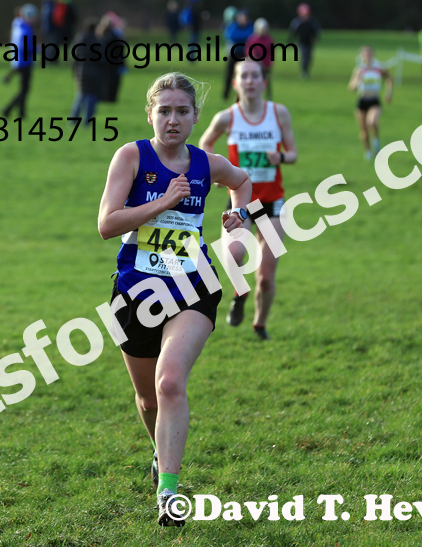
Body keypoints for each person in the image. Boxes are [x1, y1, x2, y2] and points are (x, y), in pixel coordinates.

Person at [98, 72, 252, 526]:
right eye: (164, 111)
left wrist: (239, 216)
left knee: (169, 383)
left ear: (195, 117)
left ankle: (168, 491)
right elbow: (107, 224)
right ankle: (158, 451)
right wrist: (162, 203)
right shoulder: (131, 157)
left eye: (182, 111)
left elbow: (242, 181)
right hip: (136, 292)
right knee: (148, 400)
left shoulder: (206, 163)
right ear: (150, 114)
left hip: (193, 287)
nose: (172, 120)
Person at [199, 60, 298, 341]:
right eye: (244, 76)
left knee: (265, 278)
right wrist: (218, 173)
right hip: (240, 202)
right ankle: (240, 292)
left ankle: (260, 324)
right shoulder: (227, 117)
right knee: (233, 254)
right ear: (235, 83)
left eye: (255, 76)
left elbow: (293, 153)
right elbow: (205, 144)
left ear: (264, 82)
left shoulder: (278, 113)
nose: (250, 81)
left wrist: (280, 157)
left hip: (272, 203)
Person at [348, 45, 393, 161]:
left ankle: (376, 142)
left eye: (369, 54)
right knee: (364, 132)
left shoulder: (378, 68)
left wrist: (388, 93)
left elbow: (389, 78)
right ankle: (368, 152)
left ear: (373, 55)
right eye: (365, 54)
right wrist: (357, 80)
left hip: (374, 100)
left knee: (372, 122)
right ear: (361, 56)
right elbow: (351, 88)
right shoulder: (359, 70)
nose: (368, 56)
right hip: (362, 101)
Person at [2, 4, 37, 119]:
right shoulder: (25, 29)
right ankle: (8, 109)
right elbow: (26, 47)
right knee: (24, 90)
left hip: (18, 60)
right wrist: (38, 49)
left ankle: (21, 113)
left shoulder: (18, 26)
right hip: (24, 62)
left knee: (24, 89)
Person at [70, 18, 103, 121]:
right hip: (94, 71)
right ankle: (87, 120)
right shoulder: (96, 41)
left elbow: (74, 57)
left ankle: (73, 119)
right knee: (92, 96)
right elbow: (101, 58)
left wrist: (74, 70)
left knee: (81, 94)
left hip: (80, 71)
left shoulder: (79, 39)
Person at [223, 10, 253, 99]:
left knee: (242, 75)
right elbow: (231, 36)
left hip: (244, 54)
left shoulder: (250, 26)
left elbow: (250, 36)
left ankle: (240, 95)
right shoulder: (233, 26)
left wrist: (240, 37)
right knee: (229, 74)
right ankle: (225, 94)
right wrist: (243, 37)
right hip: (233, 53)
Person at [97, 12, 126, 103]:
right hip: (114, 63)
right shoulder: (115, 36)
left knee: (104, 81)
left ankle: (103, 98)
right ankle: (110, 99)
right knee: (113, 82)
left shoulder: (99, 36)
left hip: (103, 63)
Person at [289, 3, 321, 79]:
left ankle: (306, 70)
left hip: (310, 43)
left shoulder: (312, 22)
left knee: (309, 57)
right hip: (302, 42)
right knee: (303, 56)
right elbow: (293, 32)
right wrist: (291, 40)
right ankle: (304, 71)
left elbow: (317, 31)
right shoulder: (297, 22)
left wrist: (315, 39)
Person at [245, 18, 274, 99]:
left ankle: (268, 96)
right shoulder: (253, 39)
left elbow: (271, 51)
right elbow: (248, 50)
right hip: (255, 63)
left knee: (266, 80)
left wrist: (271, 61)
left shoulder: (269, 39)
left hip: (265, 63)